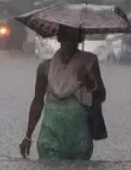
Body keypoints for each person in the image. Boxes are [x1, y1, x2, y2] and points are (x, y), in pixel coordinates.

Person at [19, 24, 107, 160]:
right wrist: (28, 137)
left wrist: (88, 82)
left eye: (73, 35)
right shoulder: (45, 67)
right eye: (65, 34)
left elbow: (101, 96)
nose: (69, 39)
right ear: (59, 37)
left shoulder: (89, 63)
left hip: (79, 137)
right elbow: (37, 102)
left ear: (80, 38)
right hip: (50, 135)